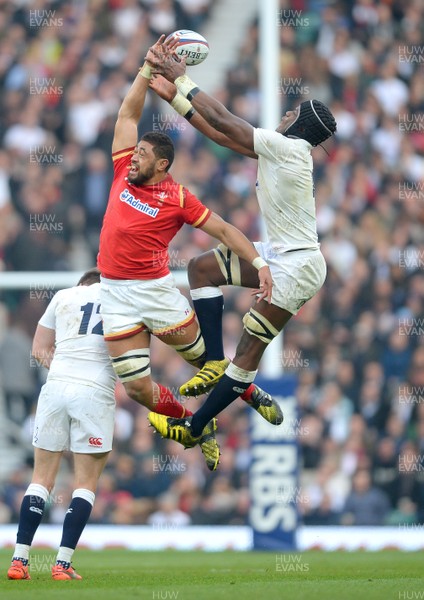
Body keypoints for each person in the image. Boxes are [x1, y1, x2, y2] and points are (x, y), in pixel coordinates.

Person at [146, 37, 337, 467]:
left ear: (301, 125)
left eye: (292, 113)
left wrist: (183, 79)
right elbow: (221, 135)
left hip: (300, 263)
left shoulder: (289, 147)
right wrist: (175, 100)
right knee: (200, 269)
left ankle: (194, 429)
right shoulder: (283, 148)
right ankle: (213, 362)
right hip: (284, 253)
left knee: (247, 354)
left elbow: (226, 120)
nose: (285, 114)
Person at [96, 36, 278, 471]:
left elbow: (223, 228)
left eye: (142, 154)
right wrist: (145, 69)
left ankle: (249, 391)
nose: (133, 157)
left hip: (155, 291)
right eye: (135, 151)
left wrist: (258, 262)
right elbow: (127, 114)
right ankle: (198, 425)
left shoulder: (176, 196)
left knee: (207, 361)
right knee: (139, 391)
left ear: (162, 165)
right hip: (114, 294)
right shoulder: (123, 169)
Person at [7, 269, 115, 581]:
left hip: (55, 388)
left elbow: (39, 349)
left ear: (82, 282)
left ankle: (19, 560)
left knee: (40, 479)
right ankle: (62, 564)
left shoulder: (63, 296)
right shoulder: (120, 298)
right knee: (85, 483)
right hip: (95, 391)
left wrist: (66, 368)